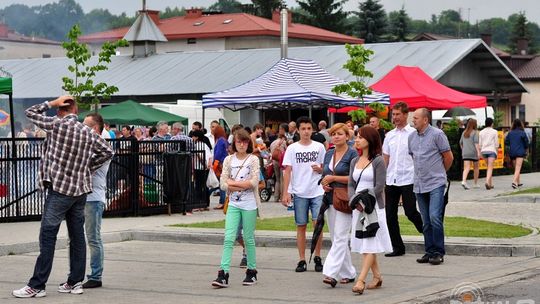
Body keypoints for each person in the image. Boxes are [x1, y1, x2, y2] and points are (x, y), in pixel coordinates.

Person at [13, 96, 113, 298]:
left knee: (48, 235)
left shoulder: (56, 124)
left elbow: (30, 113)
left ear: (61, 109)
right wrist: (87, 168)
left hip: (60, 189)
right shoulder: (87, 132)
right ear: (76, 110)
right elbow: (107, 151)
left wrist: (51, 103)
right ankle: (75, 282)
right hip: (80, 191)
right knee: (77, 237)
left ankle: (37, 285)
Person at [212, 129, 261, 288]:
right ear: (234, 143)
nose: (241, 144)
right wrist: (234, 185)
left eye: (245, 142)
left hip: (249, 204)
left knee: (248, 238)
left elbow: (253, 183)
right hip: (233, 203)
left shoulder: (253, 159)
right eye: (239, 141)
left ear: (249, 143)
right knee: (228, 237)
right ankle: (223, 273)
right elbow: (223, 183)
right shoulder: (228, 160)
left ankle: (251, 271)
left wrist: (233, 184)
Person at [348, 125, 391, 295]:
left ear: (370, 140)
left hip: (374, 207)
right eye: (356, 137)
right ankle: (377, 276)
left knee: (369, 244)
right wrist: (354, 200)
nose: (356, 140)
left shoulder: (378, 160)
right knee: (367, 243)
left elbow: (380, 186)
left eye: (360, 137)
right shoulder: (354, 161)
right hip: (357, 208)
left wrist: (364, 202)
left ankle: (361, 280)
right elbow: (351, 183)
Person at [281, 116, 326, 273]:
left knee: (317, 224)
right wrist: (286, 192)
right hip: (300, 191)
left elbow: (325, 166)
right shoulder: (292, 148)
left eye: (309, 128)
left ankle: (318, 255)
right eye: (303, 129)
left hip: (317, 189)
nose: (306, 132)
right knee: (301, 225)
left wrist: (321, 169)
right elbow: (287, 170)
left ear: (312, 130)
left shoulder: (319, 147)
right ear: (298, 131)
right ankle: (301, 259)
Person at [409, 108, 453, 266]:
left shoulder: (438, 135)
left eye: (415, 118)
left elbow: (448, 157)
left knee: (435, 217)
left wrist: (440, 173)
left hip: (436, 183)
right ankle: (429, 251)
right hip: (419, 184)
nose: (412, 120)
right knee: (425, 220)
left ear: (425, 120)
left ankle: (438, 252)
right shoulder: (411, 137)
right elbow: (413, 158)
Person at [382, 102, 423, 257]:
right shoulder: (389, 135)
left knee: (411, 211)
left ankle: (428, 233)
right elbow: (385, 158)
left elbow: (419, 156)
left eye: (398, 114)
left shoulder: (413, 134)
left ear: (406, 115)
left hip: (409, 178)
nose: (395, 117)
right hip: (391, 179)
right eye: (393, 114)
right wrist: (381, 178)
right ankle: (398, 247)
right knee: (389, 215)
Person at [320, 123, 358, 287]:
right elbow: (325, 175)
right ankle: (348, 272)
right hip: (330, 198)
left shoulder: (352, 154)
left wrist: (334, 179)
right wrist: (324, 182)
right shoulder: (329, 154)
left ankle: (330, 272)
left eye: (339, 134)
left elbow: (355, 177)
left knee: (341, 236)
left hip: (344, 198)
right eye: (333, 134)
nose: (336, 136)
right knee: (337, 237)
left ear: (347, 136)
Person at [81, 113, 112, 289]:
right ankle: (75, 275)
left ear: (94, 129)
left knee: (93, 238)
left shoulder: (101, 149)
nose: (81, 127)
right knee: (76, 238)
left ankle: (95, 275)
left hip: (93, 198)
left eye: (85, 124)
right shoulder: (86, 145)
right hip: (81, 197)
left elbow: (84, 167)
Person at [505, 119, 529, 189]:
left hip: (512, 152)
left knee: (516, 168)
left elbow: (506, 142)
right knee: (518, 168)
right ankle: (514, 182)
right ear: (521, 124)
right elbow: (526, 143)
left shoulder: (510, 133)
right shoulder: (522, 133)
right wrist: (526, 151)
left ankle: (518, 183)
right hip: (520, 152)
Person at [460, 118, 481, 189]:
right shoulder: (475, 132)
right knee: (476, 168)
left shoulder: (464, 132)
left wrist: (464, 149)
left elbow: (461, 143)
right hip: (473, 152)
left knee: (466, 168)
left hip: (465, 153)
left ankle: (463, 181)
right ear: (475, 124)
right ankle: (475, 183)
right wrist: (478, 153)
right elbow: (476, 143)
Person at [212, 125, 229, 209]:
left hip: (219, 164)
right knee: (220, 182)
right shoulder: (225, 140)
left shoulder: (219, 141)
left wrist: (214, 162)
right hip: (224, 163)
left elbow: (217, 154)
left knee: (216, 182)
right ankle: (222, 201)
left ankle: (222, 202)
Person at [269, 123, 288, 202]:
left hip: (274, 161)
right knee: (282, 179)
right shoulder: (284, 142)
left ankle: (276, 197)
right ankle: (282, 196)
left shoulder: (273, 142)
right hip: (282, 161)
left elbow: (271, 150)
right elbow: (287, 151)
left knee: (277, 179)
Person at [479, 118, 498, 190]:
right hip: (492, 150)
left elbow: (480, 144)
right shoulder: (494, 131)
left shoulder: (481, 132)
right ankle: (487, 182)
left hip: (484, 151)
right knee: (490, 167)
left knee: (489, 167)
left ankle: (490, 184)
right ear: (492, 123)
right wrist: (496, 152)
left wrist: (480, 152)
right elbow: (496, 144)